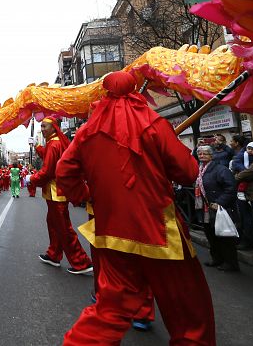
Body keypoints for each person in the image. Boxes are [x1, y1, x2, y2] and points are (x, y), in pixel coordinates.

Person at [56, 71, 215, 345]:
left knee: (110, 309)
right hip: (159, 232)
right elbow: (188, 173)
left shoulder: (86, 132)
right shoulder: (154, 124)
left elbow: (64, 172)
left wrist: (85, 195)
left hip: (112, 232)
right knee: (188, 312)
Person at [30, 117, 92, 275]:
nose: (42, 129)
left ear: (53, 127)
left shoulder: (54, 143)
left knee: (63, 227)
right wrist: (37, 145)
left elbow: (48, 170)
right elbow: (48, 156)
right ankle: (53, 254)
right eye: (41, 126)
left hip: (56, 192)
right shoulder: (53, 142)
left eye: (44, 126)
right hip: (54, 192)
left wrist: (31, 178)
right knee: (53, 223)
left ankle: (81, 261)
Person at [196, 145, 240, 272]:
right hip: (205, 209)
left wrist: (220, 202)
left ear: (211, 156)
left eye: (205, 153)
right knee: (211, 235)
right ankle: (217, 259)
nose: (202, 155)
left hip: (219, 208)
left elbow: (230, 188)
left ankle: (231, 263)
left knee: (224, 237)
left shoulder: (221, 169)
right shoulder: (199, 170)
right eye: (200, 153)